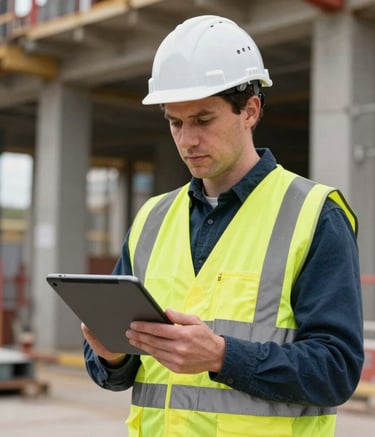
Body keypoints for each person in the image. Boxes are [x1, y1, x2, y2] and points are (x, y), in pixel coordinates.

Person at [82, 15, 364, 437]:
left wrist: (221, 356)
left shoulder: (314, 214)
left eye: (203, 120)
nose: (186, 140)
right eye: (175, 122)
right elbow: (121, 375)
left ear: (249, 111)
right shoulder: (152, 219)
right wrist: (112, 358)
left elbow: (336, 371)